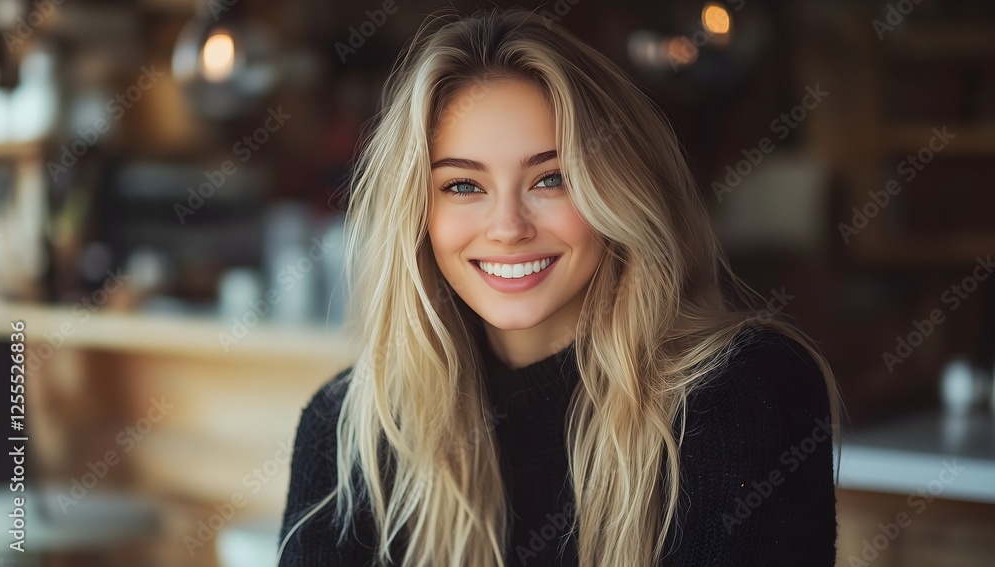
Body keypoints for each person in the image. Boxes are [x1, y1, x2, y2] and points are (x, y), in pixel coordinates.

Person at [278, 7, 842, 566]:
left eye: (552, 178)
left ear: (617, 191)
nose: (508, 228)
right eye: (463, 185)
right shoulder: (350, 431)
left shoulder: (744, 394)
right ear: (417, 213)